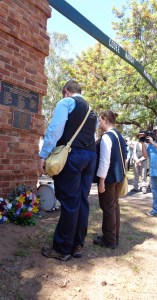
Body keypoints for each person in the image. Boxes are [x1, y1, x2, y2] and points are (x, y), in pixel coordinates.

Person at [38, 80, 97, 261]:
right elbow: (92, 136)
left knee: (70, 202)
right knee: (81, 201)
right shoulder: (92, 112)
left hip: (72, 156)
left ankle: (62, 249)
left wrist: (43, 154)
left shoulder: (66, 102)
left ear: (66, 91)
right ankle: (77, 244)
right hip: (90, 156)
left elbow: (55, 129)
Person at [93, 111, 126, 249]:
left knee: (108, 208)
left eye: (100, 121)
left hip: (109, 178)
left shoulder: (107, 137)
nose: (99, 124)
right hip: (118, 176)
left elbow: (104, 161)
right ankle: (113, 237)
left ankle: (109, 240)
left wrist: (101, 181)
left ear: (106, 120)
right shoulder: (119, 136)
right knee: (113, 207)